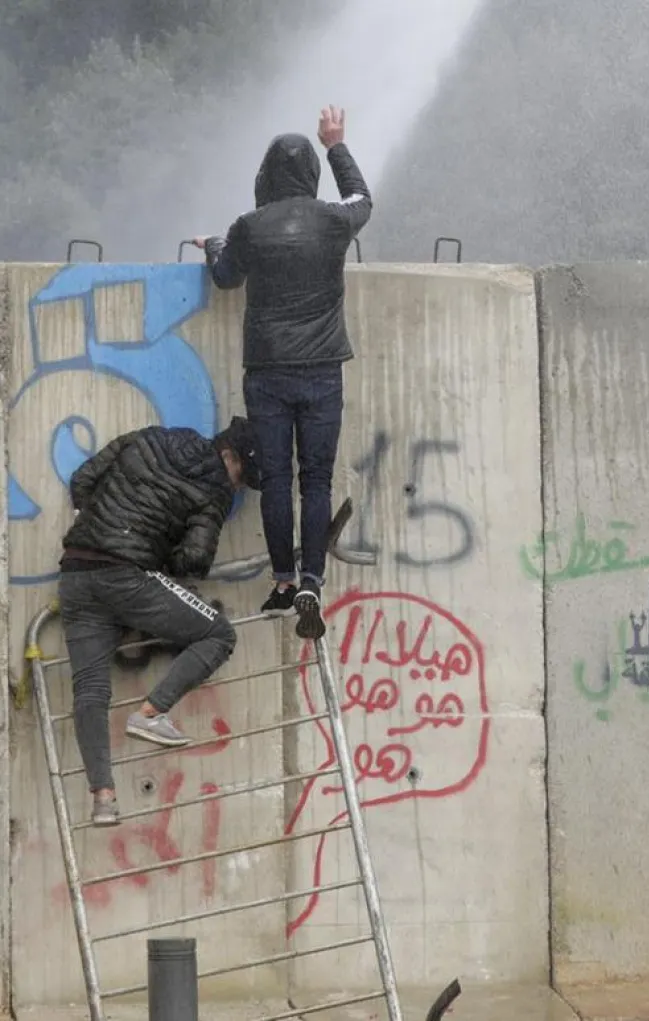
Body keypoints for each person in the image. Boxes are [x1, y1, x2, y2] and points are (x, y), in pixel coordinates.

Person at [195, 105, 372, 641]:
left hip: (268, 372)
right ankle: (312, 580)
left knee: (275, 478)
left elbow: (226, 277)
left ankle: (282, 581)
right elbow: (362, 198)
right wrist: (336, 145)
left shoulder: (249, 227)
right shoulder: (335, 220)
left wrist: (214, 246)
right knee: (315, 479)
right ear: (311, 173)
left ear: (266, 175)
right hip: (322, 371)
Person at [58, 419, 260, 826]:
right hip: (127, 577)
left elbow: (83, 479)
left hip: (76, 572)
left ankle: (103, 798)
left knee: (90, 688)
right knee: (219, 634)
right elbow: (195, 560)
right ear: (228, 456)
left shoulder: (150, 436)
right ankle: (151, 713)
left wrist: (94, 527)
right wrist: (157, 556)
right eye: (241, 476)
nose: (238, 487)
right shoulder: (215, 487)